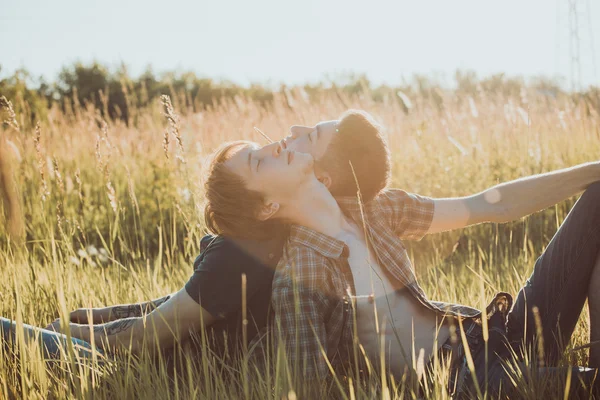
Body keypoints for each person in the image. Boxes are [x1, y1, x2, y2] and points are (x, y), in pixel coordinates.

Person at [202, 110, 600, 397]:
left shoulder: (377, 209)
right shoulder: (299, 275)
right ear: (266, 207)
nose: (282, 137)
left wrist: (593, 169)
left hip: (499, 333)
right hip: (469, 384)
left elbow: (492, 205)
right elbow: (309, 389)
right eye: (258, 160)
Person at [1, 110, 390, 365]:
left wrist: (73, 332)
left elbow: (144, 340)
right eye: (259, 159)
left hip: (125, 367)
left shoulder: (241, 254)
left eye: (256, 156)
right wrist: (101, 316)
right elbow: (178, 303)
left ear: (265, 206)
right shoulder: (284, 235)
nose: (278, 144)